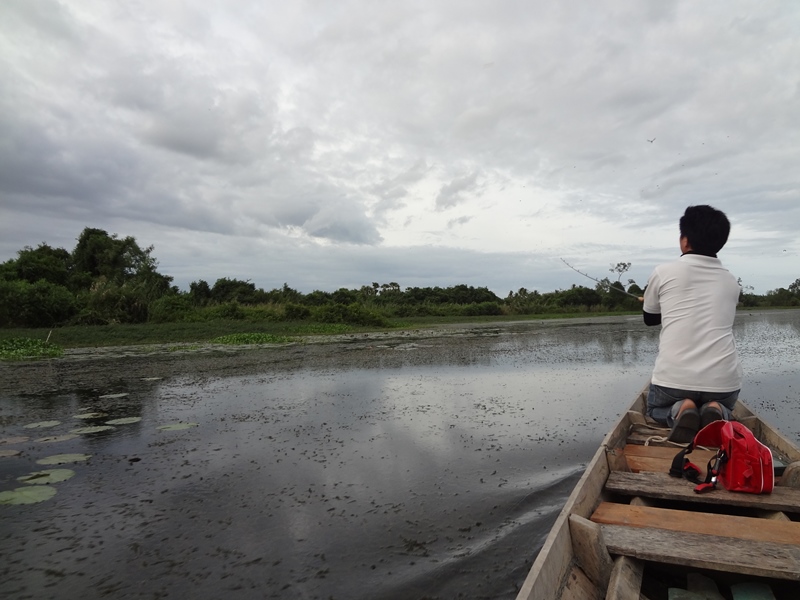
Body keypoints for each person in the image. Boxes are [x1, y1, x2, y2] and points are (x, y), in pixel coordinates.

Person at [642, 205, 743, 443]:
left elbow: (650, 319)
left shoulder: (663, 272)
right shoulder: (731, 282)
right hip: (723, 384)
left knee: (654, 410)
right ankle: (718, 410)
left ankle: (680, 409)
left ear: (684, 241)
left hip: (672, 383)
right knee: (718, 399)